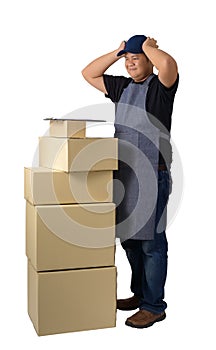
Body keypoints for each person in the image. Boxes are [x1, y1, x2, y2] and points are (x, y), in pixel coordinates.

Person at [82, 34, 179, 329]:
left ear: (150, 60)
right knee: (130, 241)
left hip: (152, 172)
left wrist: (148, 47)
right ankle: (139, 295)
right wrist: (121, 50)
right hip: (123, 173)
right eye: (128, 59)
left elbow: (169, 65)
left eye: (136, 58)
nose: (130, 63)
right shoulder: (122, 87)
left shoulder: (162, 87)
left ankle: (154, 306)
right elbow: (89, 73)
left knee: (150, 242)